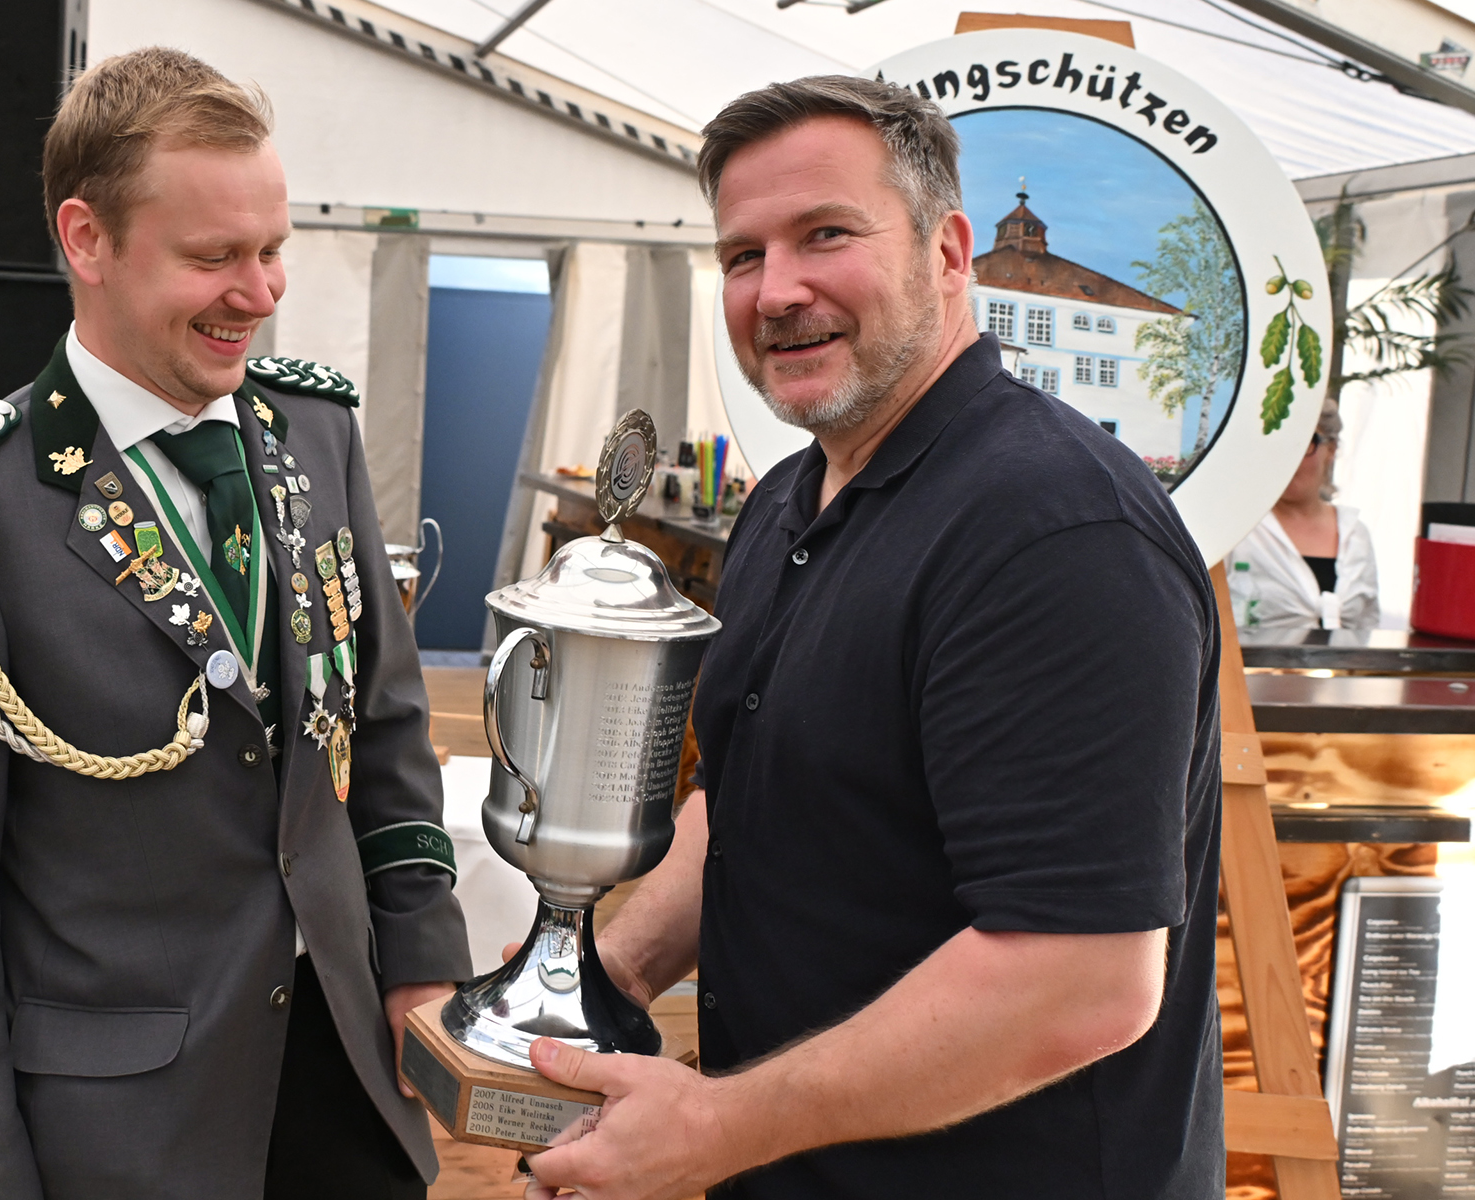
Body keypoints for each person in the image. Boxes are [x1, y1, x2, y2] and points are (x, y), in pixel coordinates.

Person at [519, 77, 1223, 1200]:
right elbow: (752, 803)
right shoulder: (788, 502)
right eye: (742, 256)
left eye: (826, 235)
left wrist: (716, 1126)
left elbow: (1081, 979)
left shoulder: (1054, 531)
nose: (776, 290)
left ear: (948, 254)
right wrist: (603, 975)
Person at [0, 47, 469, 1200]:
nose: (261, 294)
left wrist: (421, 969)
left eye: (273, 250)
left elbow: (380, 731)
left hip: (349, 1084)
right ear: (87, 240)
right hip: (123, 1135)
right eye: (214, 257)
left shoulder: (314, 433)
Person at [1228, 409, 1378, 633]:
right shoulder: (1241, 530)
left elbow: (1368, 625)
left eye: (1304, 442)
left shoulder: (1355, 534)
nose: (1289, 457)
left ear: (1331, 449)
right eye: (1278, 444)